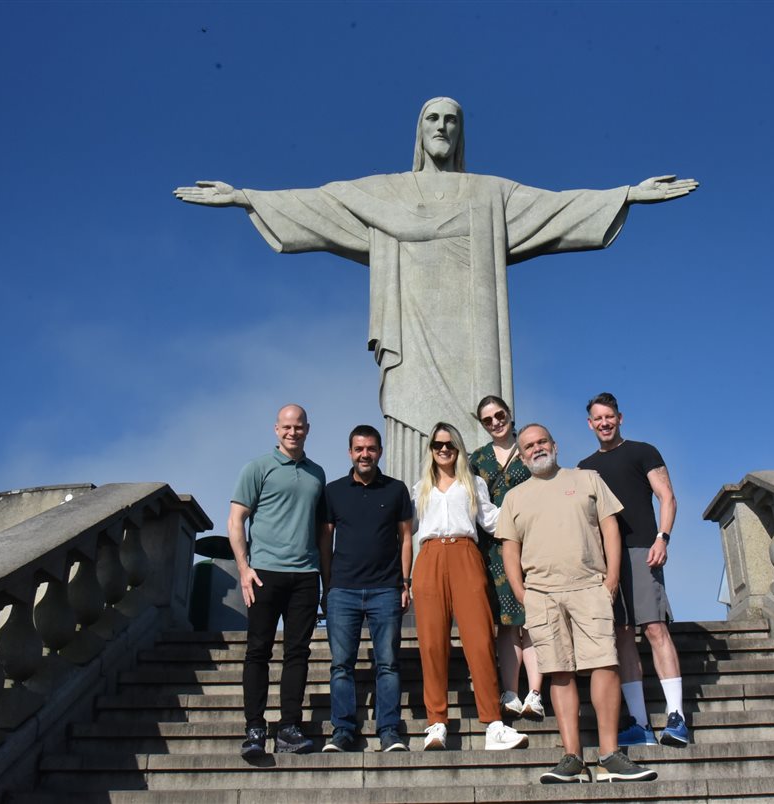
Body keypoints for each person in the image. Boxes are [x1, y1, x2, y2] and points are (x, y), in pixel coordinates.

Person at [174, 97, 699, 487]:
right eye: (432, 118)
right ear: (419, 131)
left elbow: (556, 208)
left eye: (452, 119)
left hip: (474, 341)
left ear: (461, 131)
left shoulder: (490, 194)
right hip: (412, 334)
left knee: (482, 426)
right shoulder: (387, 192)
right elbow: (324, 204)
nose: (442, 127)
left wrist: (626, 193)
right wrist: (246, 197)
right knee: (412, 434)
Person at [499, 424, 657, 784]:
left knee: (605, 664)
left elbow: (610, 528)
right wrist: (522, 593)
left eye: (542, 442)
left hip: (590, 587)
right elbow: (510, 548)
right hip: (542, 593)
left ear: (554, 445)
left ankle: (609, 755)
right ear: (522, 456)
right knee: (559, 671)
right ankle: (571, 758)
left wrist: (612, 579)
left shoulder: (587, 479)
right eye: (529, 446)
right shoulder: (515, 497)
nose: (537, 449)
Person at [578, 392, 689, 747]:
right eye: (598, 418)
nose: (604, 423)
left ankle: (677, 718)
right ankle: (640, 724)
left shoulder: (643, 451)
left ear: (620, 418)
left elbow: (667, 496)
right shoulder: (584, 468)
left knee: (655, 628)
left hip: (643, 549)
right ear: (590, 423)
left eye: (609, 416)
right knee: (623, 635)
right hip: (606, 560)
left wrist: (663, 538)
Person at [410, 422, 528, 752]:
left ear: (458, 448)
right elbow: (405, 529)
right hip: (430, 557)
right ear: (430, 449)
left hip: (465, 553)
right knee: (432, 645)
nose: (443, 449)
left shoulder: (472, 483)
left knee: (478, 639)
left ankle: (493, 724)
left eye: (449, 444)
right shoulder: (419, 487)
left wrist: (527, 504)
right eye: (437, 445)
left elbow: (491, 519)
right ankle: (436, 723)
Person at [230, 404, 327, 757]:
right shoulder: (257, 468)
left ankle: (289, 726)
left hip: (304, 575)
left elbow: (321, 530)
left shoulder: (317, 474)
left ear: (307, 429)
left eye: (298, 426)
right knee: (258, 651)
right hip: (264, 573)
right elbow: (236, 519)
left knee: (297, 653)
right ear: (276, 429)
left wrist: (324, 579)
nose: (293, 432)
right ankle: (255, 728)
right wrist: (244, 568)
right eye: (286, 427)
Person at [318, 425, 413, 753]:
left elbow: (406, 538)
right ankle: (342, 730)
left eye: (371, 449)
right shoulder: (334, 491)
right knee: (341, 664)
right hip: (342, 590)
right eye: (359, 449)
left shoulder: (396, 490)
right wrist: (327, 586)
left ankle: (389, 731)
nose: (365, 454)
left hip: (386, 589)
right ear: (350, 452)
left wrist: (405, 581)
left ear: (380, 451)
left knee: (387, 663)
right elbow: (324, 540)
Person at [468, 395, 543, 720]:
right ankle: (511, 691)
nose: (496, 422)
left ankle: (535, 694)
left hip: (533, 542)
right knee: (508, 623)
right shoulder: (478, 458)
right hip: (495, 548)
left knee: (535, 620)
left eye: (500, 415)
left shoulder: (528, 446)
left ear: (510, 414)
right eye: (488, 420)